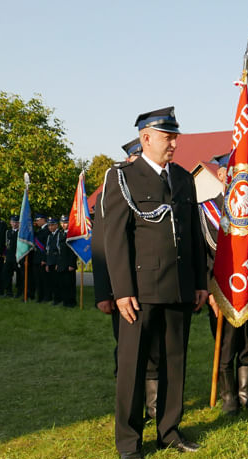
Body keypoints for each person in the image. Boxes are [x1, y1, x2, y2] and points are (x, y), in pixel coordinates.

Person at [102, 107, 208, 459]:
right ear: (146, 137)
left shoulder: (182, 178)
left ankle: (169, 430)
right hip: (140, 292)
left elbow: (192, 234)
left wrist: (199, 282)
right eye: (168, 137)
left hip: (179, 287)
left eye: (175, 136)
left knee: (174, 364)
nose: (174, 143)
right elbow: (115, 239)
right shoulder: (123, 177)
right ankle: (130, 441)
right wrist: (122, 291)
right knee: (132, 368)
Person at [92, 139, 159, 418]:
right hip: (122, 288)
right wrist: (104, 293)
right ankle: (131, 403)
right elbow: (101, 247)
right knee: (128, 350)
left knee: (155, 348)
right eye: (135, 158)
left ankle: (154, 406)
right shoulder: (112, 189)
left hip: (152, 285)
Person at [201, 153, 248, 415]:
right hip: (222, 290)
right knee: (227, 345)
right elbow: (201, 256)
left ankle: (245, 393)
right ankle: (229, 397)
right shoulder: (206, 210)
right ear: (220, 175)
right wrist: (209, 291)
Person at [57, 215, 77, 307]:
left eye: (65, 222)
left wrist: (72, 264)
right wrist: (58, 263)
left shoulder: (72, 234)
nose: (63, 224)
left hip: (69, 263)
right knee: (62, 283)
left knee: (70, 284)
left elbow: (73, 251)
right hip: (61, 263)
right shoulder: (60, 233)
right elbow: (59, 250)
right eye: (62, 223)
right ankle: (65, 301)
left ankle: (71, 302)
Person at [3, 214, 23, 298]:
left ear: (19, 223)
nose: (15, 224)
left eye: (16, 222)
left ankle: (19, 292)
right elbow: (6, 244)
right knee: (6, 274)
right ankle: (8, 291)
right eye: (13, 222)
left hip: (18, 256)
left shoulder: (21, 233)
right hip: (9, 257)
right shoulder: (8, 232)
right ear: (10, 222)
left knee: (19, 275)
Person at [44, 217, 61, 304]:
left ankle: (57, 299)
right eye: (49, 225)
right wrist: (47, 263)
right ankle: (52, 298)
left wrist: (58, 263)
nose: (50, 227)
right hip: (50, 262)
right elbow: (48, 250)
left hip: (56, 262)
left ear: (56, 225)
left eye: (52, 225)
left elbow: (59, 251)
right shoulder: (50, 236)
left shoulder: (59, 234)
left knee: (57, 282)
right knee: (51, 282)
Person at [32, 213, 49, 302]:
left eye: (38, 220)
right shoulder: (39, 230)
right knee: (38, 279)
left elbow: (46, 246)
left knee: (44, 280)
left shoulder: (47, 230)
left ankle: (46, 297)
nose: (36, 222)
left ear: (43, 219)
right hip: (36, 258)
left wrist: (44, 259)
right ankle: (40, 297)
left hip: (42, 259)